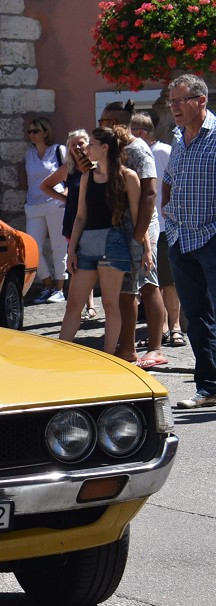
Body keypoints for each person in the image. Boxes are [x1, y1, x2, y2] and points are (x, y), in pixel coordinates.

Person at [59, 126, 141, 356]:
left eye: (92, 143)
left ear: (104, 148)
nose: (87, 148)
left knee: (109, 304)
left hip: (113, 243)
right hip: (87, 243)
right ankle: (59, 353)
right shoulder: (87, 176)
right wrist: (72, 250)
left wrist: (145, 249)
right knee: (74, 304)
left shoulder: (127, 176)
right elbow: (80, 216)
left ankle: (108, 356)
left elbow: (136, 218)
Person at [162, 74, 216, 408]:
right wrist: (168, 212)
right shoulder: (178, 139)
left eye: (180, 100)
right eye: (172, 101)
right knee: (196, 317)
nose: (175, 108)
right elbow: (168, 178)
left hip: (211, 237)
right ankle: (209, 387)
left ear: (201, 101)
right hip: (180, 238)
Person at [101, 101, 167, 368]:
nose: (100, 125)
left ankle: (154, 348)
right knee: (128, 288)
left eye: (104, 121)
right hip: (122, 226)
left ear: (116, 122)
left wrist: (140, 235)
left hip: (141, 226)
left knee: (147, 284)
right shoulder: (114, 148)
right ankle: (127, 346)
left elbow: (150, 192)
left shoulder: (138, 149)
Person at [132, 111, 185, 349]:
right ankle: (161, 328)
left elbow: (175, 181)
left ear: (141, 132)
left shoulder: (162, 151)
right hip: (145, 228)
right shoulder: (134, 155)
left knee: (168, 281)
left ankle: (174, 327)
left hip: (164, 227)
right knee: (152, 282)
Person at [39, 129, 99, 319]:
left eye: (80, 143)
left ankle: (91, 305)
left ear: (88, 144)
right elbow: (44, 185)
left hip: (96, 221)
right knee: (79, 264)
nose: (76, 147)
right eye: (73, 144)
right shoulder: (68, 169)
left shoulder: (97, 167)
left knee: (95, 264)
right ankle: (84, 306)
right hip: (73, 221)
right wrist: (64, 199)